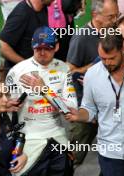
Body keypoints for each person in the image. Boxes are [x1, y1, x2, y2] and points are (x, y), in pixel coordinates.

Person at [65, 32, 124, 176]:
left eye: (112, 58)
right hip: (110, 154)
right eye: (103, 58)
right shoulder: (92, 74)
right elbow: (89, 108)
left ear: (123, 50)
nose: (107, 63)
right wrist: (79, 115)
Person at [5, 26, 77, 176]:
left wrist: (44, 90)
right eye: (38, 48)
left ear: (56, 47)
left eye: (48, 48)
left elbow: (69, 111)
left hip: (57, 137)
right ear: (32, 46)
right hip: (28, 139)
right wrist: (7, 106)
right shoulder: (17, 71)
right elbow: (5, 111)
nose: (42, 53)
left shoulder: (64, 69)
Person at [66, 0, 119, 165]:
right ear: (96, 15)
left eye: (117, 15)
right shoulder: (82, 37)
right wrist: (95, 66)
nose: (115, 20)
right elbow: (69, 72)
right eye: (111, 16)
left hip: (108, 107)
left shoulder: (112, 32)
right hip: (85, 107)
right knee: (74, 158)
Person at [0, 0, 76, 70]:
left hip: (52, 72)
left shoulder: (52, 9)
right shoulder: (22, 12)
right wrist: (29, 65)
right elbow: (2, 46)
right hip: (25, 75)